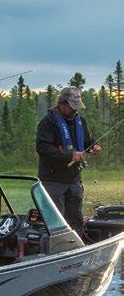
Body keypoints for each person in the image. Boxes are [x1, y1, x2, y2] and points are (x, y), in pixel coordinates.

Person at [36, 86, 101, 234]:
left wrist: (94, 146)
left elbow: (87, 141)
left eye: (77, 106)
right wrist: (69, 155)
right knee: (56, 222)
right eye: (72, 106)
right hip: (53, 182)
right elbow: (43, 149)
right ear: (62, 103)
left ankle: (76, 248)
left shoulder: (80, 120)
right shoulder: (48, 122)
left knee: (76, 219)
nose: (75, 110)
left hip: (74, 180)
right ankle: (57, 252)